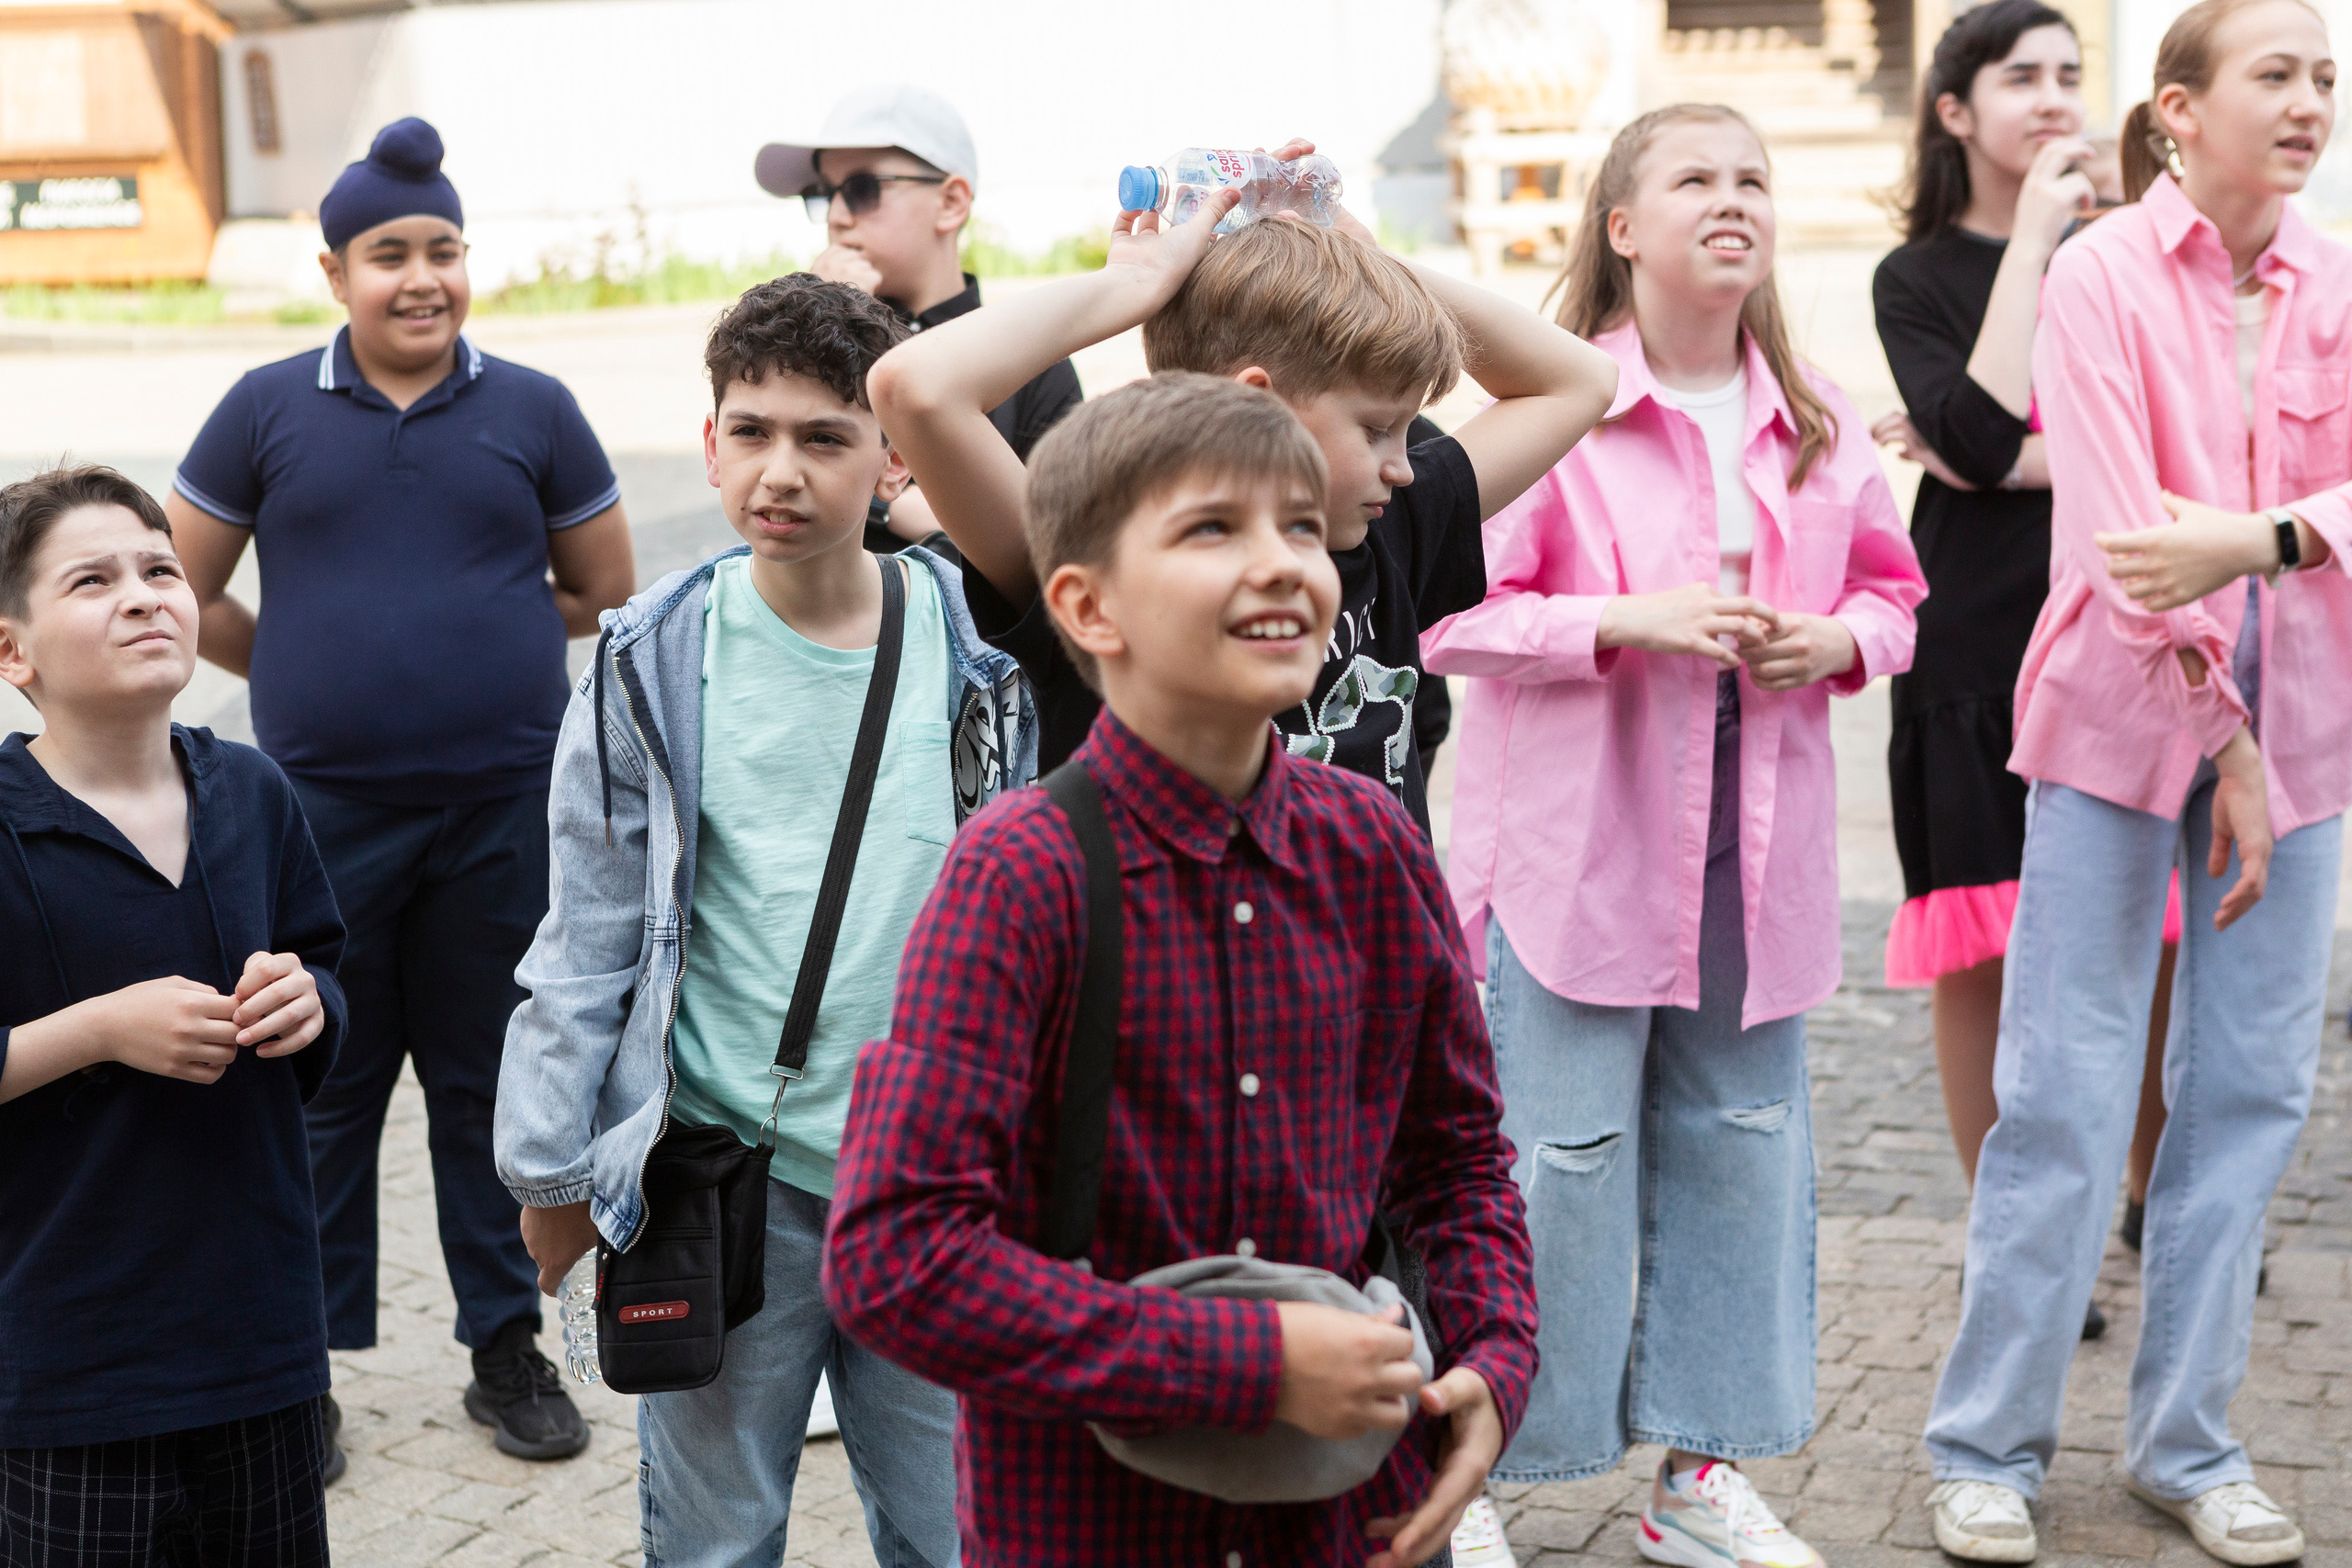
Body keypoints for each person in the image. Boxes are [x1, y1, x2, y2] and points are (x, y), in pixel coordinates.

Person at [828, 220, 1540, 1564]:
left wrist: (1491, 1369)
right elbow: (898, 1255)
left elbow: (1456, 1160)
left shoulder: (1372, 849)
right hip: (1092, 1522)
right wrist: (1245, 1360)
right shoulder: (1021, 875)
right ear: (1087, 607)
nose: (1282, 562)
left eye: (1300, 526)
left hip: (1357, 1518)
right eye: (1214, 527)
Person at [1421, 104, 1927, 1568]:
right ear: (1621, 226)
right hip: (1577, 853)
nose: (1735, 201)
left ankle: (1698, 1474)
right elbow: (1444, 608)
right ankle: (1487, 1484)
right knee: (1552, 1163)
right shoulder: (1554, 413)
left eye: (1755, 179)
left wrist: (1831, 640)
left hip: (1756, 854)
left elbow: (1896, 600)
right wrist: (1617, 622)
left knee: (1744, 1149)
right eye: (1695, 179)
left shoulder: (1819, 417)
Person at [494, 274, 1033, 1568]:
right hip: (728, 1175)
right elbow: (589, 928)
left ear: (893, 457)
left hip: (932, 1185)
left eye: (824, 436)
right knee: (717, 1539)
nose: (778, 470)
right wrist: (549, 1169)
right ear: (709, 440)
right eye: (750, 430)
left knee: (960, 1530)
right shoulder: (655, 654)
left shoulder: (967, 650)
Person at [1921, 3, 2349, 1561]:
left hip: (2306, 744)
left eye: (2324, 77)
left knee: (2248, 1093)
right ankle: (1985, 1447)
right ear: (2180, 108)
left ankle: (2192, 1441)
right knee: (2062, 1088)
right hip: (2117, 727)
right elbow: (2115, 541)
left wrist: (2270, 537)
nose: (2311, 102)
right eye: (2278, 77)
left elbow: (2297, 519)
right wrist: (2225, 735)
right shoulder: (2098, 274)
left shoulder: (2344, 281)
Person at [167, 118, 636, 1467]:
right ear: (334, 273)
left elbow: (603, 590)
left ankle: (505, 1347)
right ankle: (291, 1371)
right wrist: (300, 658)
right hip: (318, 818)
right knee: (316, 1086)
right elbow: (188, 588)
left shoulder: (534, 406)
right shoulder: (264, 406)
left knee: (493, 1089)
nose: (420, 277)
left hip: (501, 812)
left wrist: (485, 630)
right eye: (389, 254)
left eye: (443, 249)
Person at [904, 136, 1618, 810]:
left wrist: (1370, 262)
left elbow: (1580, 381)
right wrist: (1132, 283)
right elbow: (916, 388)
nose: (1402, 467)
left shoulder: (1384, 533)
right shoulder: (1106, 553)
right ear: (1257, 401)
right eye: (1374, 430)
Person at [1868, 0, 2167, 1342]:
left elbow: (2181, 444)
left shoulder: (2145, 254)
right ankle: (2017, 1234)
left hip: (2125, 623)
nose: (2055, 96)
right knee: (1980, 944)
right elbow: (1984, 435)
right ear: (1954, 111)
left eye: (2071, 73)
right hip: (1974, 638)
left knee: (2147, 941)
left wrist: (1992, 452)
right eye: (2021, 77)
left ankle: (2157, 1199)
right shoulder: (1917, 275)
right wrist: (2039, 234)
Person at [0, 466, 347, 1559]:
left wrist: (311, 1005)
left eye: (160, 569)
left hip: (262, 1337)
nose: (145, 594)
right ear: (13, 653)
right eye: (93, 581)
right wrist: (100, 1031)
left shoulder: (254, 791)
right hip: (67, 1361)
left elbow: (328, 974)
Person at [755, 84, 1082, 553]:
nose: (838, 215)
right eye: (824, 193)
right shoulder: (802, 338)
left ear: (950, 202)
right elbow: (762, 483)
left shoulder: (1031, 361)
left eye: (863, 190)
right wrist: (821, 323)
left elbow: (1061, 542)